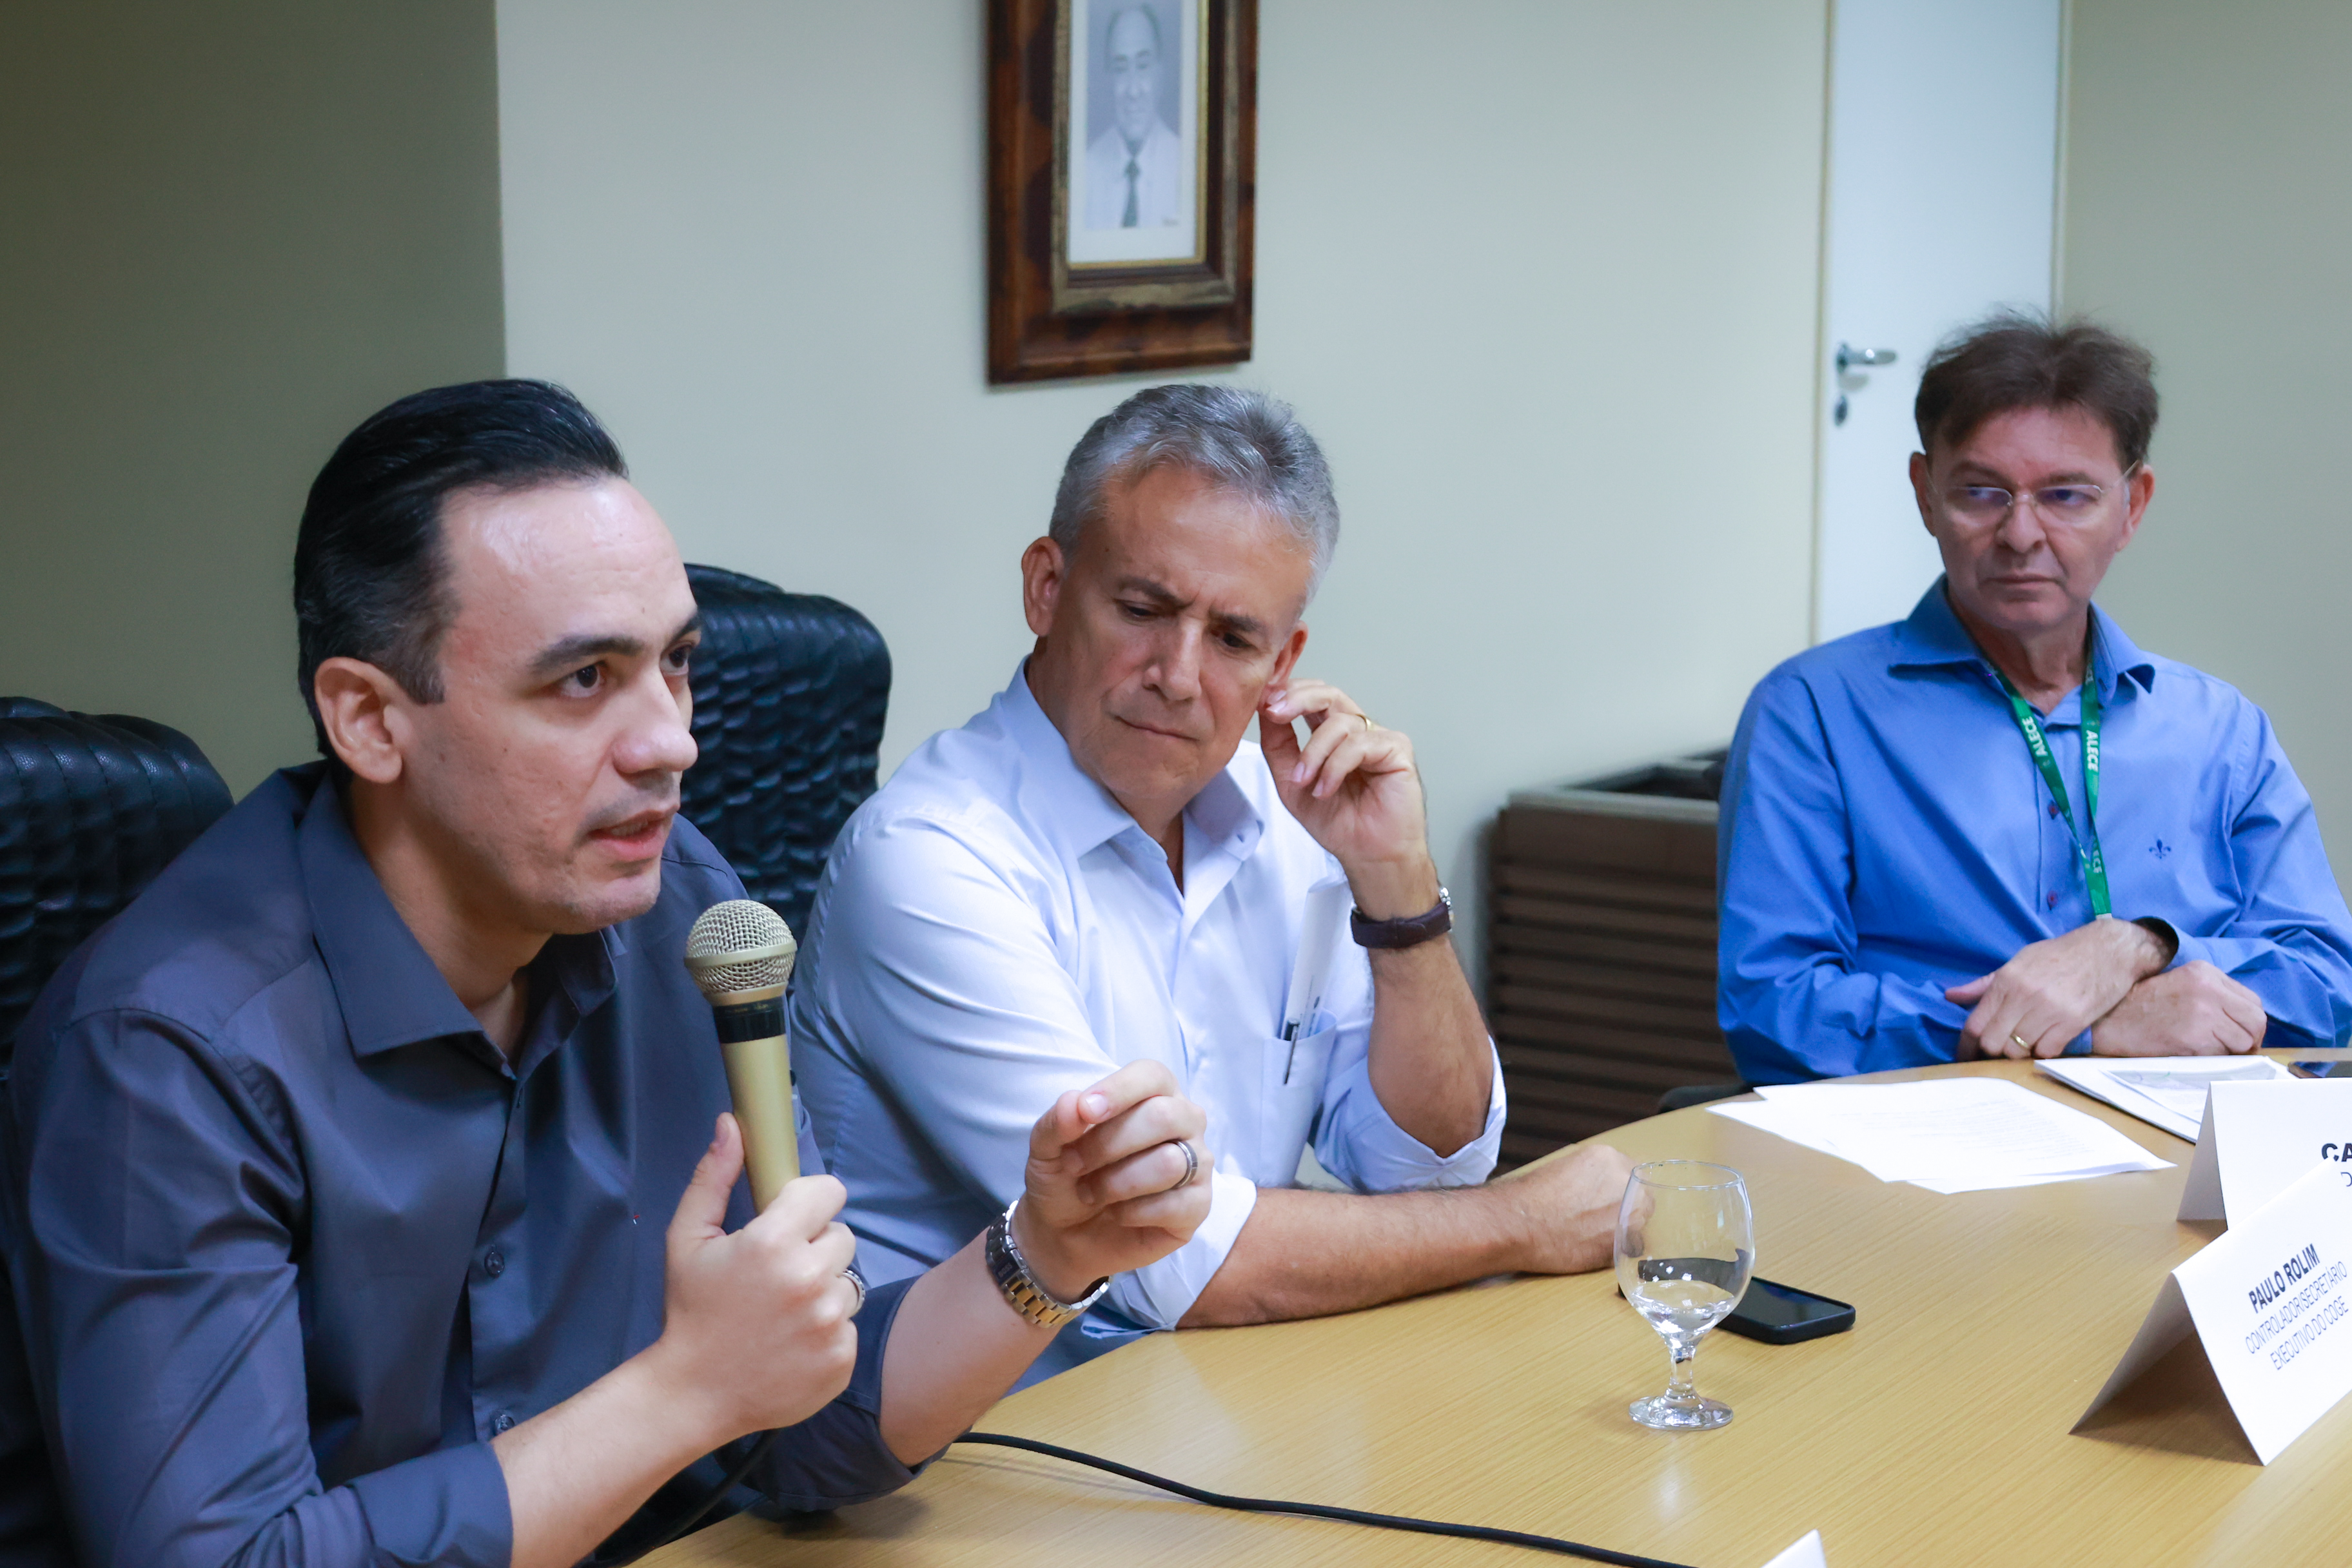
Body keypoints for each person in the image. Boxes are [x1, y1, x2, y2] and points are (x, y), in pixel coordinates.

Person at [0, 381, 1213, 1568]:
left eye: (675, 663)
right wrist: (685, 1391)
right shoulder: (167, 1049)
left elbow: (793, 1424)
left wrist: (1046, 1253)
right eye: (583, 680)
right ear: (369, 720)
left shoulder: (678, 907)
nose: (673, 741)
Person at [791, 384, 1634, 1382]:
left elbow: (1426, 1165)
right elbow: (1166, 1262)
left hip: (1217, 1395)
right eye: (1143, 610)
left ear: (1285, 660)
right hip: (981, 1436)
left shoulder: (1293, 812)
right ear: (1047, 588)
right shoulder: (928, 858)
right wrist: (1527, 1222)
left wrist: (1397, 887)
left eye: (1234, 639)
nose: (1180, 675)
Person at [1718, 316, 2352, 1084]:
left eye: (2067, 496)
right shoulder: (1813, 712)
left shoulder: (2221, 731)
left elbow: (2329, 981)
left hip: (2185, 1140)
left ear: (2134, 504)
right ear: (1925, 494)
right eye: (1981, 493)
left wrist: (2143, 945)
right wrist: (2083, 1033)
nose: (2021, 534)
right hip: (1933, 1137)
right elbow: (1775, 1008)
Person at [1083, 6, 1188, 232]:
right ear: (1108, 79)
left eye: (1143, 66)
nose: (1133, 90)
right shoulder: (1086, 172)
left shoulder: (1186, 169)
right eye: (1121, 69)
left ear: (1161, 74)